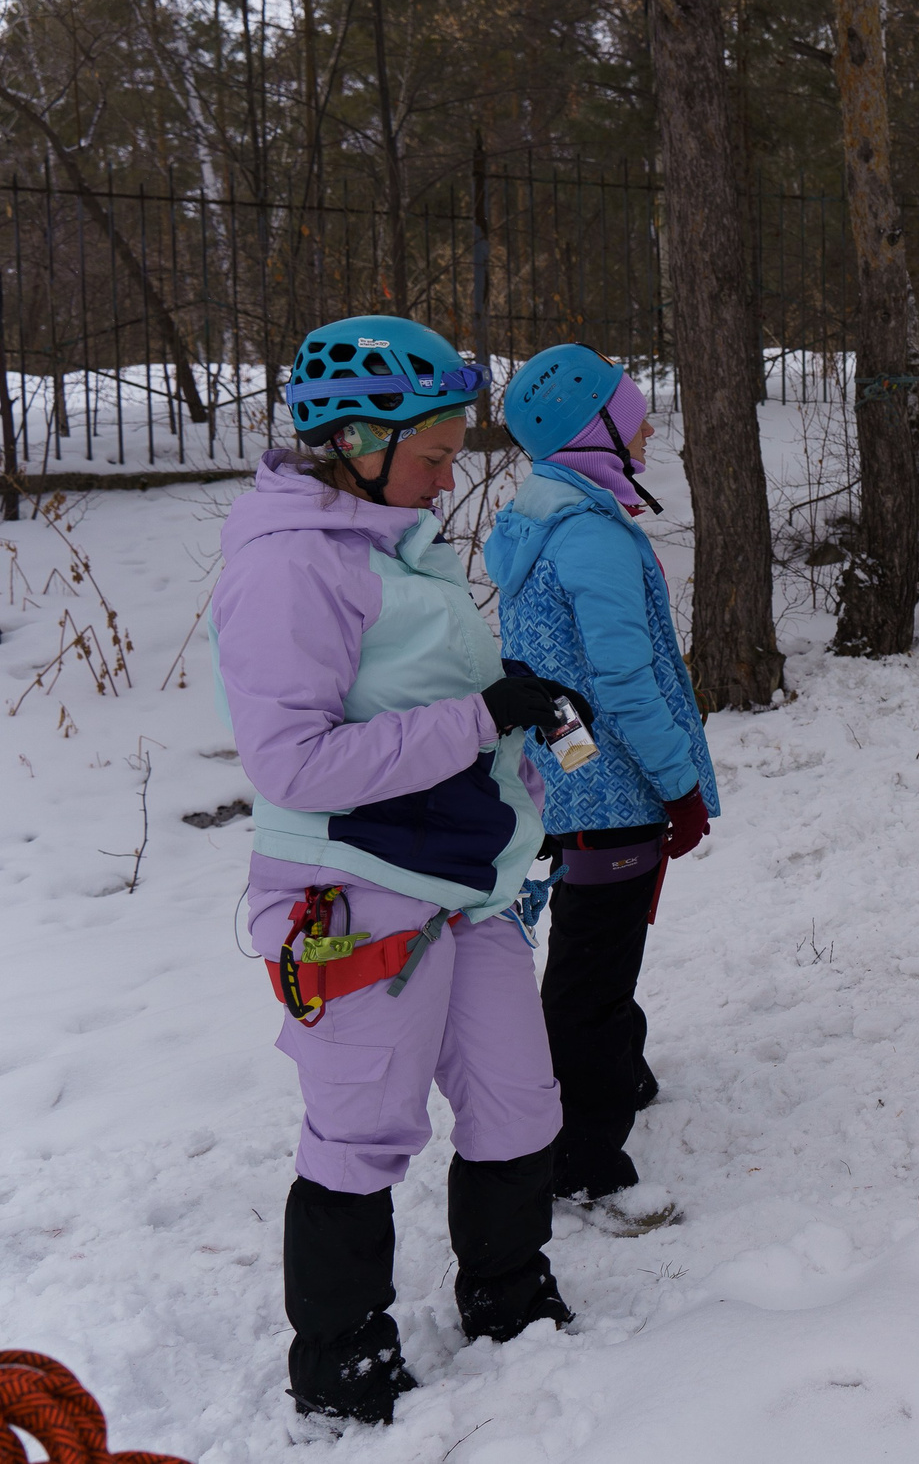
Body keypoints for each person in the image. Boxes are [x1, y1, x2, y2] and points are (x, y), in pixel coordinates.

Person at [212, 316, 583, 1427]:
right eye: (432, 452)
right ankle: (342, 1352)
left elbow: (412, 699)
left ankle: (508, 1290)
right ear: (356, 443)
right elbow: (293, 761)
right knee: (362, 1124)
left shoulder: (384, 542)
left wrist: (506, 709)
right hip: (356, 882)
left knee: (518, 1098)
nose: (448, 472)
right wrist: (477, 719)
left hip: (464, 878)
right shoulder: (290, 568)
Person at [486, 345, 718, 1218]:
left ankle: (621, 1067)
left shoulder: (548, 517)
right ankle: (582, 1153)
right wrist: (678, 782)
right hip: (612, 784)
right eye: (633, 414)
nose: (649, 425)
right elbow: (624, 680)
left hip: (571, 774)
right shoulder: (588, 535)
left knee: (598, 938)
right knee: (592, 960)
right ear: (595, 433)